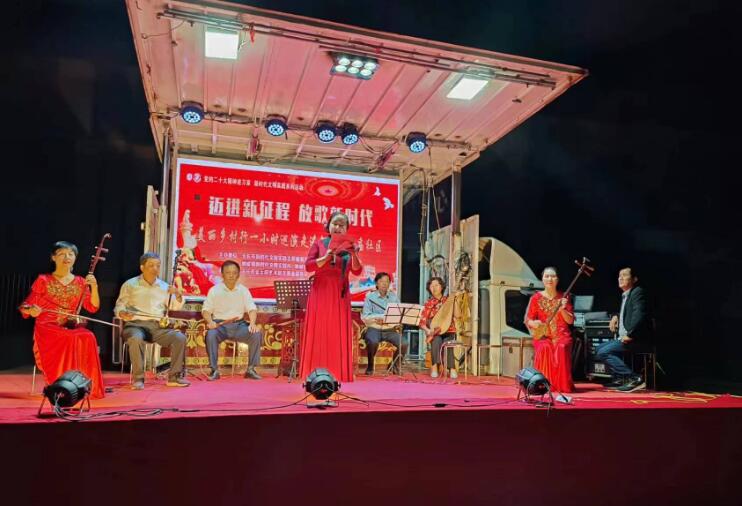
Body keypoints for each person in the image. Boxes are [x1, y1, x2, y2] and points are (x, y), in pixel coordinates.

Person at [19, 241, 106, 399]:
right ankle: (60, 385)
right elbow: (25, 306)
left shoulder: (81, 282)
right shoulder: (43, 280)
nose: (67, 257)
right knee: (69, 338)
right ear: (53, 257)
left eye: (70, 254)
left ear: (75, 258)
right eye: (61, 254)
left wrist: (94, 287)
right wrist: (32, 310)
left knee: (88, 336)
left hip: (69, 325)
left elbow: (93, 307)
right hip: (47, 326)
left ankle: (82, 387)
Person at [299, 211, 362, 383]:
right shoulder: (319, 243)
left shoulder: (349, 246)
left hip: (340, 293)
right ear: (328, 226)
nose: (338, 227)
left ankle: (338, 372)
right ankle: (314, 373)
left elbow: (357, 271)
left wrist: (355, 254)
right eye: (335, 224)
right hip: (321, 290)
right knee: (319, 331)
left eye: (342, 225)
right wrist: (326, 257)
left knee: (336, 333)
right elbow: (308, 266)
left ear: (346, 229)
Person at [114, 252, 190, 390]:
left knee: (179, 338)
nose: (155, 268)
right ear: (142, 267)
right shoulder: (130, 284)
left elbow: (175, 306)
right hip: (135, 325)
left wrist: (178, 294)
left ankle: (174, 377)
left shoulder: (165, 287)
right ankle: (138, 379)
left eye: (158, 265)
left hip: (157, 327)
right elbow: (119, 306)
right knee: (136, 339)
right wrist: (122, 313)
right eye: (151, 265)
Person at [202, 260, 263, 380]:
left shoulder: (243, 290)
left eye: (234, 273)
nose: (231, 275)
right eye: (228, 273)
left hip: (239, 326)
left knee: (256, 334)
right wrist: (210, 322)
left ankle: (251, 369)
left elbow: (252, 309)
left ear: (238, 275)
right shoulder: (214, 290)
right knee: (210, 334)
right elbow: (206, 311)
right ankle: (214, 370)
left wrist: (252, 323)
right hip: (220, 326)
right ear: (222, 274)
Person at [595, 267, 653, 393]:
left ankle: (635, 378)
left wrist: (630, 334)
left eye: (625, 275)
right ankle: (620, 379)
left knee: (603, 352)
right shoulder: (626, 295)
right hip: (625, 337)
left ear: (634, 279)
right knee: (598, 348)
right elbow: (626, 313)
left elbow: (639, 315)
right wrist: (615, 316)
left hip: (637, 339)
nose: (620, 278)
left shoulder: (637, 292)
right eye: (619, 275)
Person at [524, 267, 575, 393]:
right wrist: (534, 323)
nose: (549, 279)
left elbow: (570, 321)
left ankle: (562, 387)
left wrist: (562, 309)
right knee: (545, 347)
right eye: (546, 276)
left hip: (562, 335)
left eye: (553, 276)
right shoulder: (536, 298)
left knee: (561, 347)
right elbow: (528, 320)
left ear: (557, 279)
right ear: (542, 279)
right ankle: (543, 385)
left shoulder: (564, 297)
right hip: (544, 336)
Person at [361, 272, 408, 375]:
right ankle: (370, 365)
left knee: (404, 343)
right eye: (381, 281)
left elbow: (399, 313)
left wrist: (391, 319)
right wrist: (377, 318)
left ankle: (394, 365)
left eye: (387, 281)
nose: (384, 284)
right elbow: (365, 316)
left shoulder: (393, 297)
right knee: (372, 342)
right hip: (374, 328)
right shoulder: (370, 297)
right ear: (376, 283)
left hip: (390, 329)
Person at [419, 277, 461, 379]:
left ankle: (452, 368)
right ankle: (434, 367)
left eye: (436, 285)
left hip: (449, 330)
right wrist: (428, 330)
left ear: (441, 287)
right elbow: (422, 322)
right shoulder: (428, 303)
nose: (434, 288)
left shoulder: (448, 300)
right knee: (436, 340)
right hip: (435, 331)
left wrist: (454, 300)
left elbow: (458, 315)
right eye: (431, 286)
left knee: (448, 343)